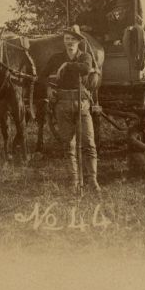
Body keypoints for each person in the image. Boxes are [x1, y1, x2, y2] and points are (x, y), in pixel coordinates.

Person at [45, 25, 100, 192]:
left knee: (89, 143)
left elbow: (85, 69)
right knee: (69, 144)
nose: (69, 42)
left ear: (78, 41)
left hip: (81, 103)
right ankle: (74, 180)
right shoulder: (56, 58)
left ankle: (92, 180)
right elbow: (42, 75)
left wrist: (67, 65)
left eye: (73, 39)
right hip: (62, 104)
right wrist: (49, 87)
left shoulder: (85, 57)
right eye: (67, 39)